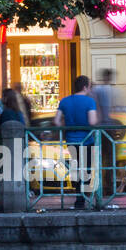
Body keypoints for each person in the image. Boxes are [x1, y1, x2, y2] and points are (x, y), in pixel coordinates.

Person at [55, 76, 98, 208]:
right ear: (85, 87)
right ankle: (83, 198)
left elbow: (56, 121)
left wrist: (65, 125)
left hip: (71, 141)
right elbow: (92, 122)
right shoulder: (90, 102)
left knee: (76, 168)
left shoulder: (64, 101)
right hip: (86, 140)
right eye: (89, 86)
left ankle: (79, 198)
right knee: (86, 170)